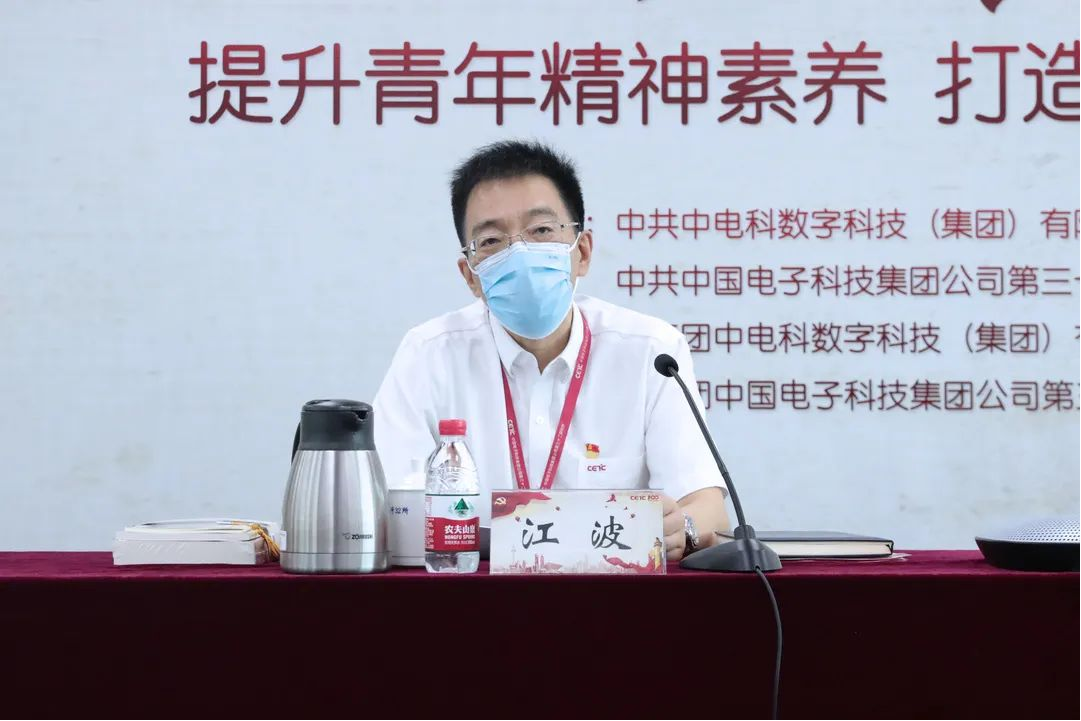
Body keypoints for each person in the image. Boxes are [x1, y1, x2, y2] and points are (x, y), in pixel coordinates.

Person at [374, 140, 729, 560]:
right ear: (470, 276)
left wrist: (682, 529)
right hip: (469, 594)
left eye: (541, 231)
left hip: (615, 595)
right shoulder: (428, 355)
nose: (519, 253)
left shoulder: (651, 351)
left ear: (583, 252)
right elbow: (392, 510)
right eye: (492, 241)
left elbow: (708, 507)